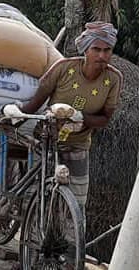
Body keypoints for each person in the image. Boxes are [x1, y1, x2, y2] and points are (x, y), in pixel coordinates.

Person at [7, 21, 122, 209]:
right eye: (96, 49)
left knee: (77, 204)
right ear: (85, 50)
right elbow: (35, 103)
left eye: (107, 50)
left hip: (78, 143)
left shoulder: (113, 79)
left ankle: (70, 238)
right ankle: (31, 235)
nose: (102, 55)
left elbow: (105, 119)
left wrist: (81, 117)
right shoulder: (64, 68)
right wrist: (16, 112)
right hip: (46, 139)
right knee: (36, 196)